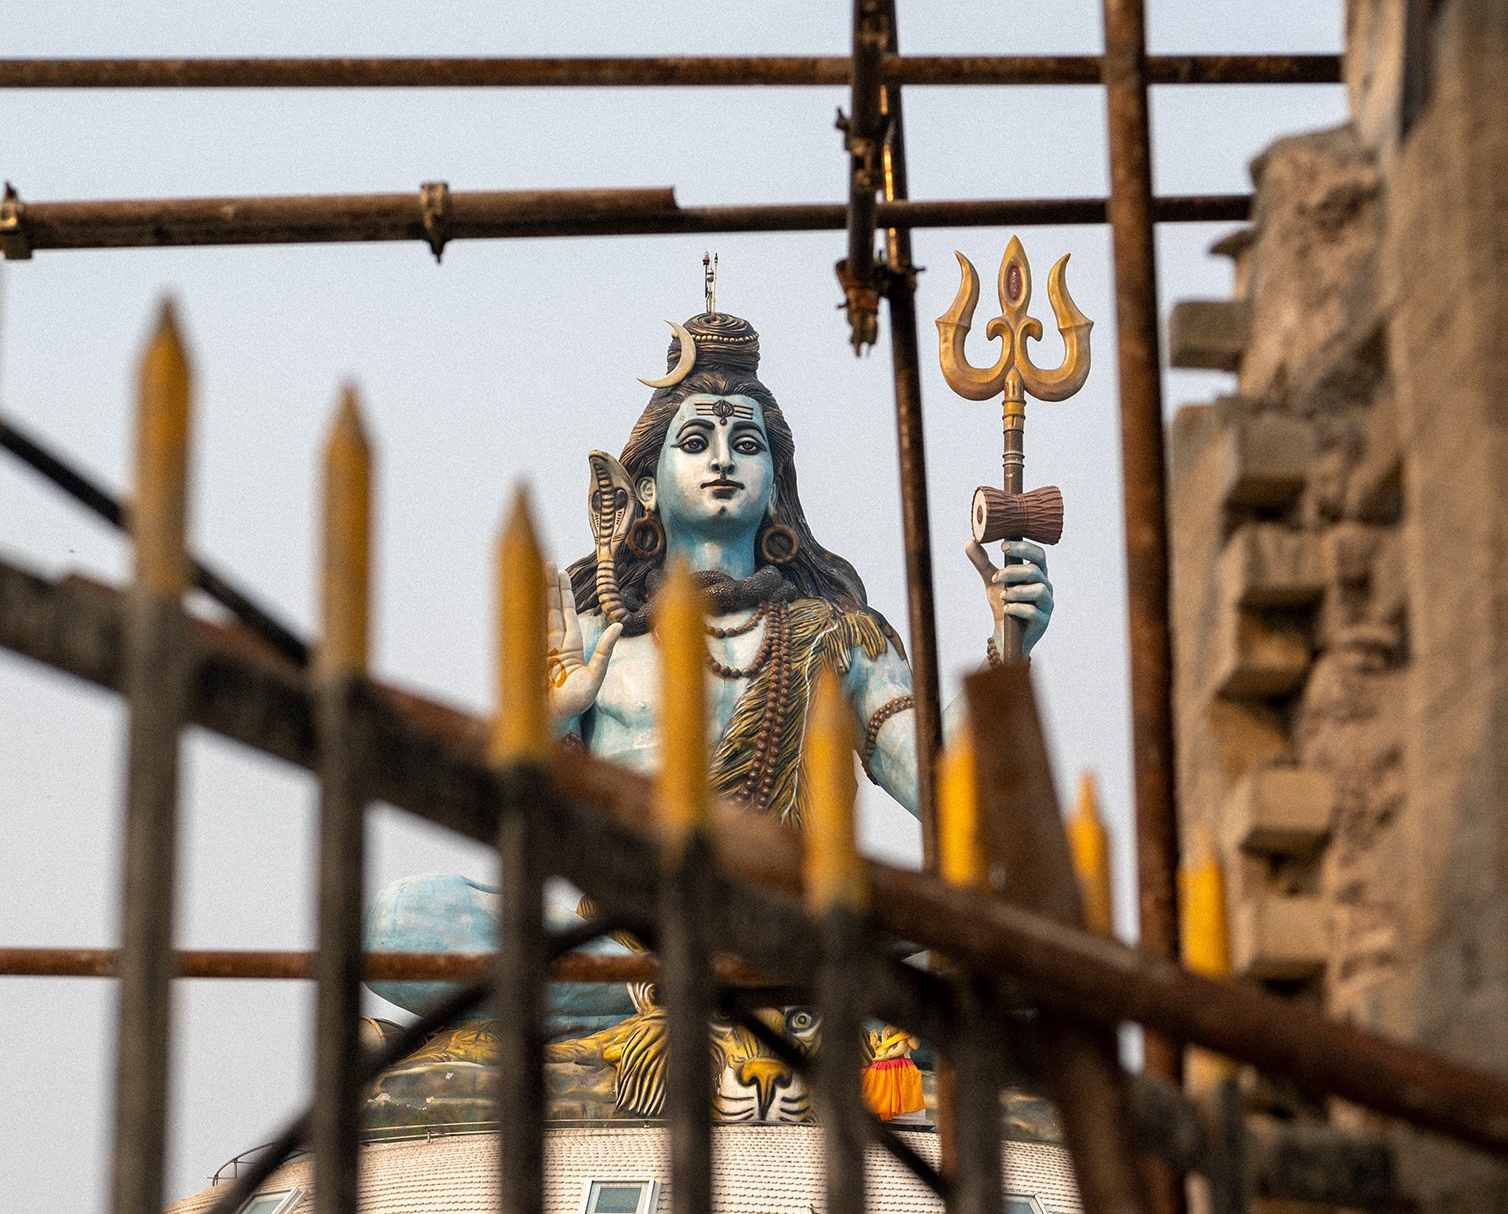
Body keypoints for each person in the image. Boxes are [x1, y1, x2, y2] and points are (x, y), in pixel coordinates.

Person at [367, 304, 1054, 1029]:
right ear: (644, 486)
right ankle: (695, 994)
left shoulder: (837, 637)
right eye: (696, 440)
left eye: (746, 442)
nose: (724, 458)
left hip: (801, 934)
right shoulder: (600, 639)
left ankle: (727, 990)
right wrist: (552, 717)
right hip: (634, 947)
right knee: (400, 923)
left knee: (1025, 921)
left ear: (776, 480)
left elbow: (954, 802)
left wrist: (1007, 655)